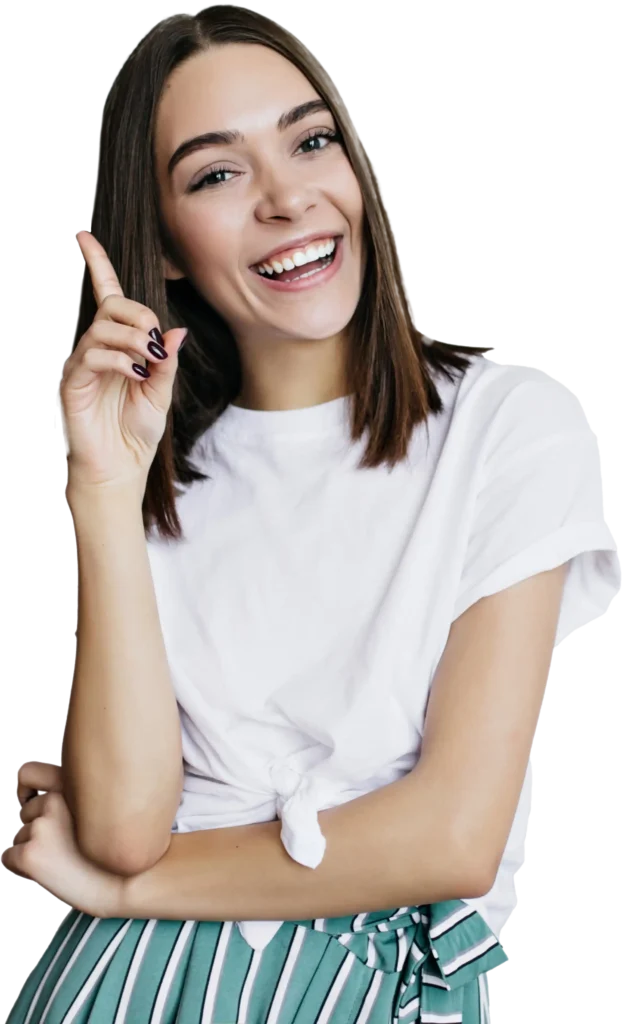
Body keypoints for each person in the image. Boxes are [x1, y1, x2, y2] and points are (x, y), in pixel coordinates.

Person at [4, 6, 620, 1023]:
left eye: (310, 140)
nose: (288, 198)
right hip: (119, 983)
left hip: (348, 980)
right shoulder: (156, 474)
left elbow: (452, 836)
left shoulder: (506, 423)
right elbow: (118, 828)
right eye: (217, 174)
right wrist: (103, 492)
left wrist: (127, 889)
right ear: (161, 243)